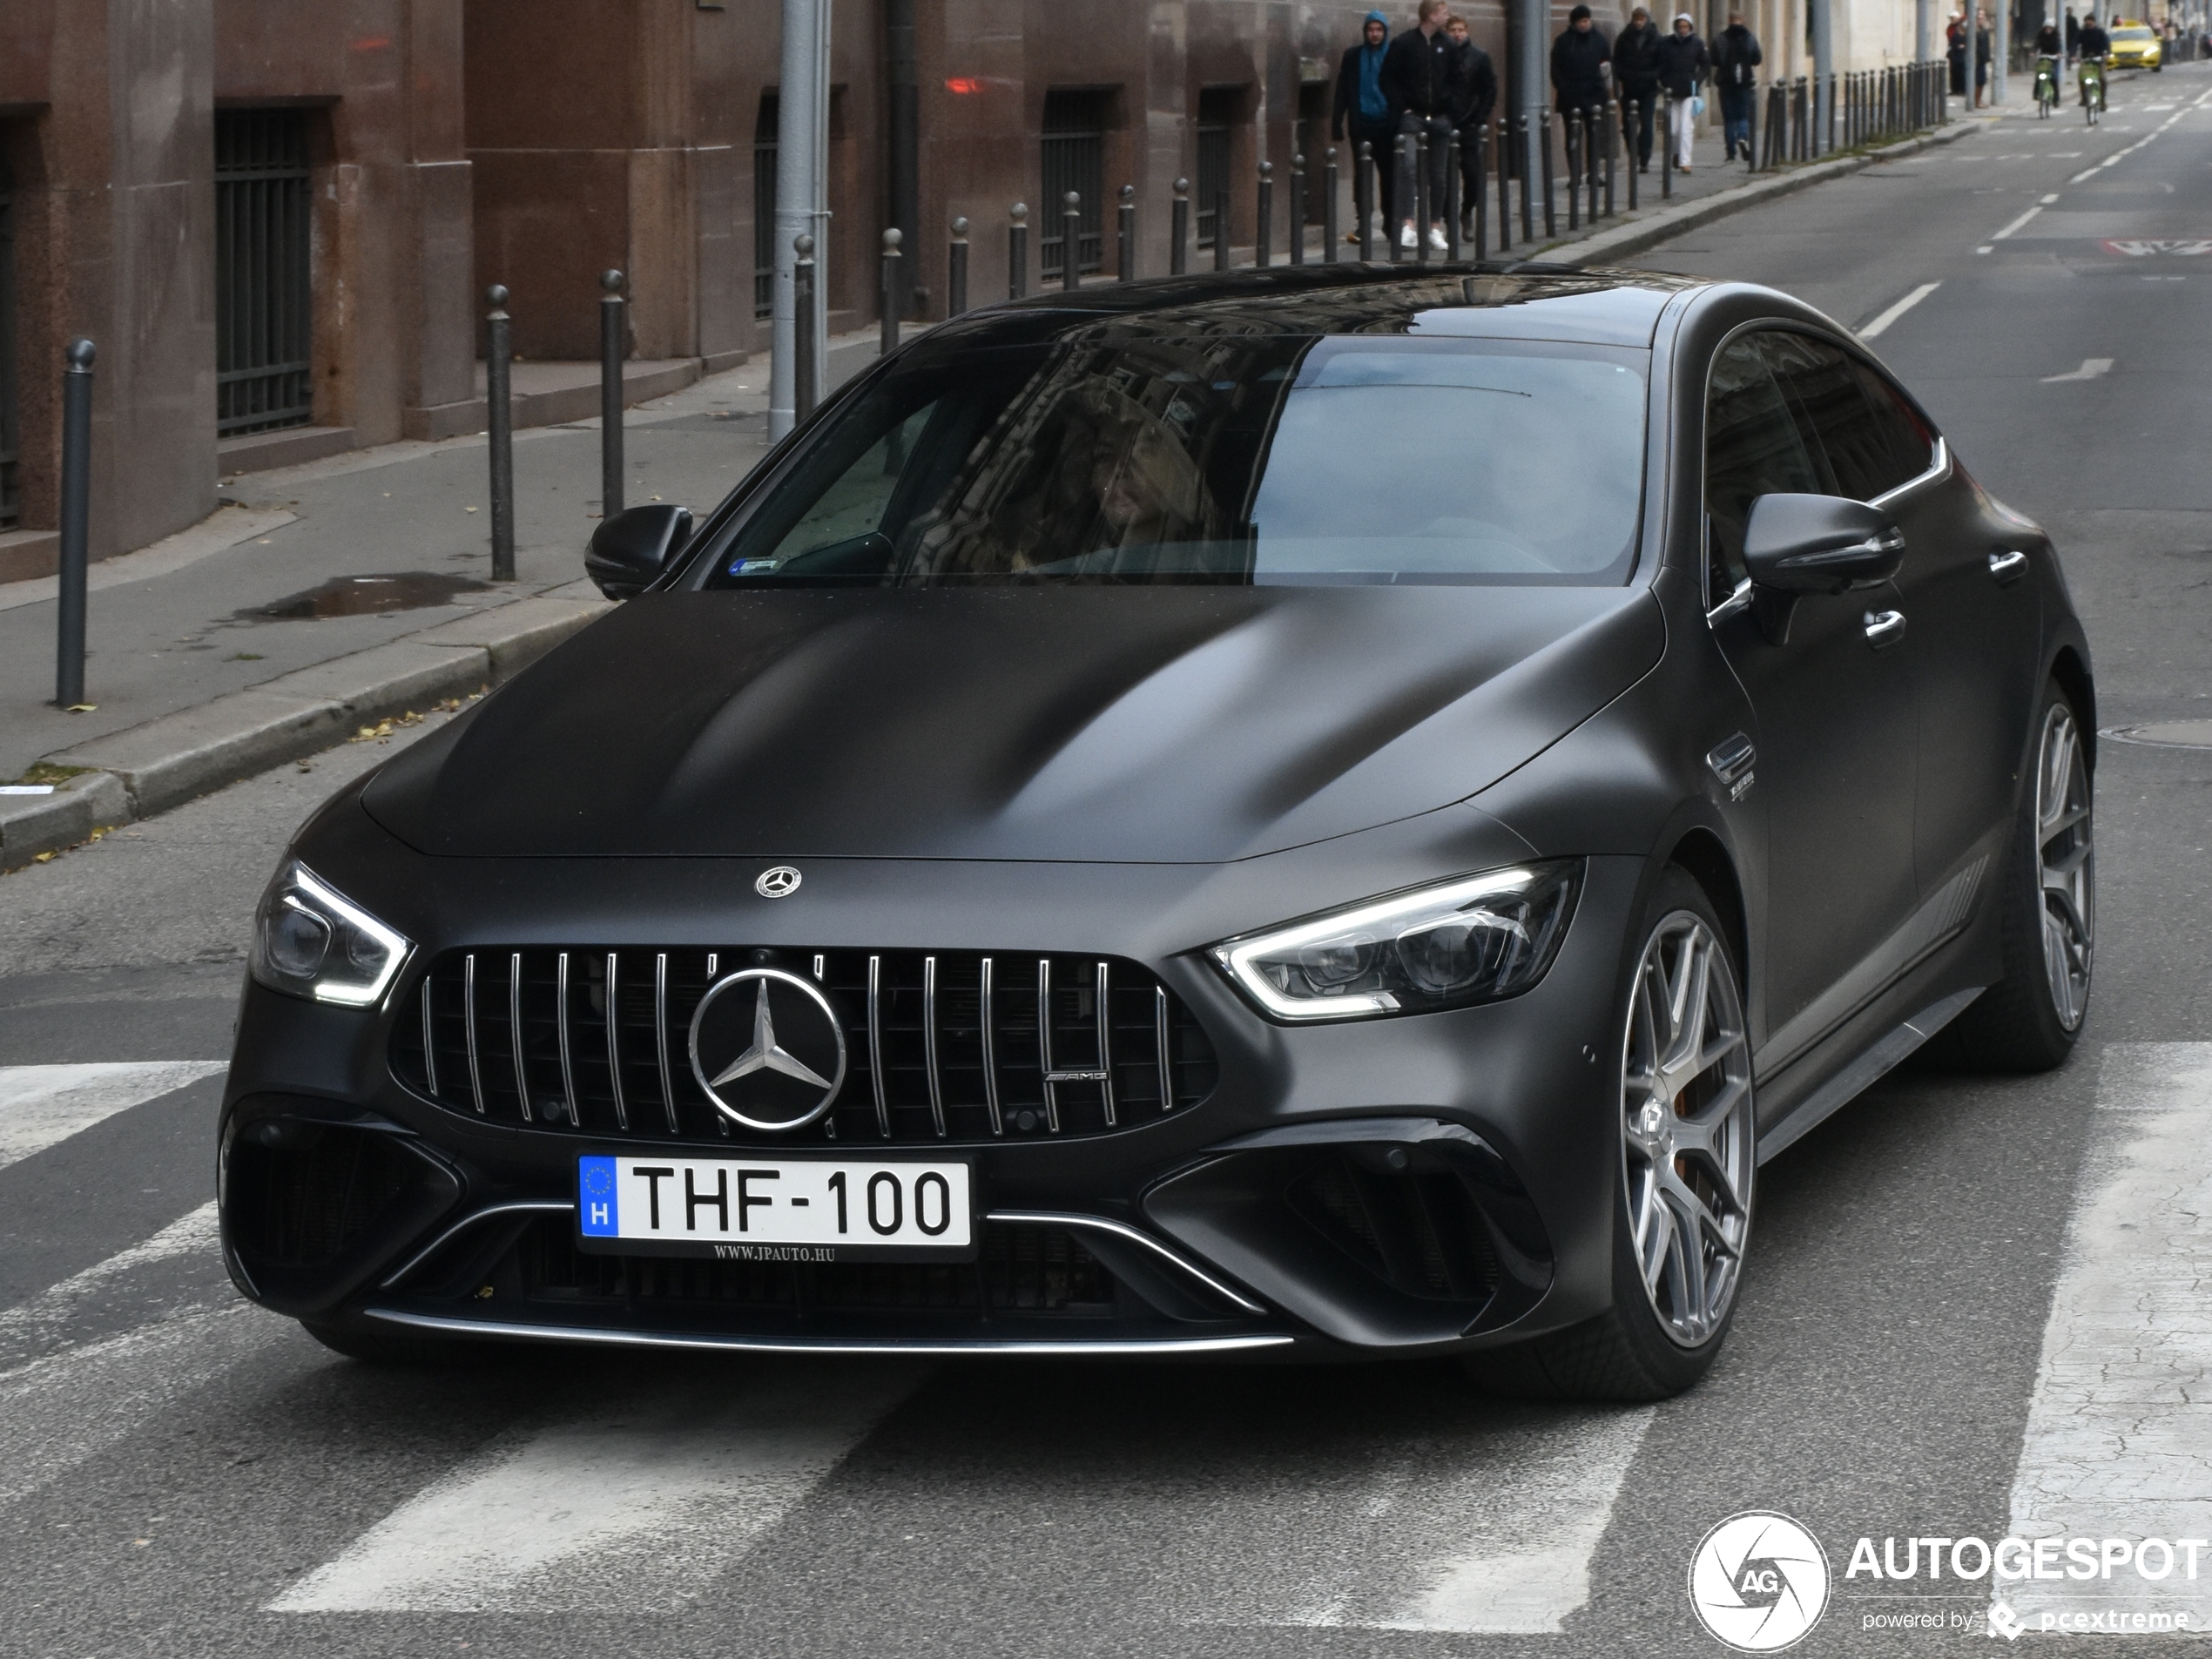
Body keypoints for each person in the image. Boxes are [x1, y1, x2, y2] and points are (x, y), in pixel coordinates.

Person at [1380, 0, 1460, 252]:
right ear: (1431, 15)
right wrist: (1402, 106)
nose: (1447, 16)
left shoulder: (1447, 45)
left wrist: (1450, 110)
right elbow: (1387, 78)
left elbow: (1458, 81)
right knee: (1408, 167)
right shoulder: (1404, 44)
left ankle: (1435, 226)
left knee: (1438, 174)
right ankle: (1408, 224)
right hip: (1412, 115)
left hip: (1439, 116)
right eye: (1443, 12)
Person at [1333, 10, 1398, 242]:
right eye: (1371, 29)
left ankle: (1390, 222)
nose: (1375, 34)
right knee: (1362, 176)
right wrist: (1336, 120)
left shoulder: (1393, 55)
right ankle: (1363, 223)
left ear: (1385, 31)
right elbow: (1342, 90)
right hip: (1361, 123)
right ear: (1365, 31)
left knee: (1388, 176)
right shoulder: (1353, 56)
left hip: (1387, 125)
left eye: (1379, 30)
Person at [1445, 15, 1499, 238]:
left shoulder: (1479, 57)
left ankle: (1466, 211)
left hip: (1470, 123)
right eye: (1453, 30)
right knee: (1444, 176)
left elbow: (1490, 88)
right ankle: (1447, 220)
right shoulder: (1440, 56)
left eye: (1461, 29)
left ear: (1467, 31)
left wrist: (1481, 116)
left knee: (1473, 174)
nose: (1457, 34)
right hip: (1445, 122)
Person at [1551, 3, 1614, 159]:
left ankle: (1593, 174)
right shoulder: (1563, 41)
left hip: (1594, 94)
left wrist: (1605, 90)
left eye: (1587, 20)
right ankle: (1575, 175)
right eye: (1581, 21)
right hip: (1570, 96)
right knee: (1573, 137)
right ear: (1574, 23)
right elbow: (1555, 67)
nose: (1585, 24)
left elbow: (1606, 66)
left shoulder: (1599, 40)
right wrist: (1562, 86)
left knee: (1594, 137)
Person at [1655, 12, 1710, 172]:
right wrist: (1664, 81)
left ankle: (1686, 162)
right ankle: (1676, 153)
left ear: (1690, 28)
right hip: (1671, 91)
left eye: (1685, 26)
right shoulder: (1667, 43)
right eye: (1680, 26)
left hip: (1689, 91)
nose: (1683, 29)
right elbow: (1660, 64)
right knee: (1673, 129)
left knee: (1686, 127)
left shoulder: (1697, 43)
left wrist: (1696, 81)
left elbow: (1706, 65)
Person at [1615, 6, 1663, 171]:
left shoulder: (1656, 38)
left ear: (1647, 20)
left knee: (1647, 124)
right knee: (1628, 124)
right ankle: (1633, 152)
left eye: (1641, 19)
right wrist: (1623, 75)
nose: (1639, 22)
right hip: (1629, 87)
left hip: (1648, 88)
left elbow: (1662, 63)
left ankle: (1645, 157)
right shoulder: (1625, 37)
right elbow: (1617, 60)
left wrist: (1653, 75)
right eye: (1636, 19)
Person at [1712, 11, 1763, 163]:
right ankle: (1742, 137)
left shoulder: (1721, 39)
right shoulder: (1750, 38)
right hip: (1744, 82)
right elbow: (1757, 59)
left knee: (1729, 118)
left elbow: (1714, 60)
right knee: (1742, 115)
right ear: (1743, 20)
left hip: (1726, 82)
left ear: (1729, 20)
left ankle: (1731, 153)